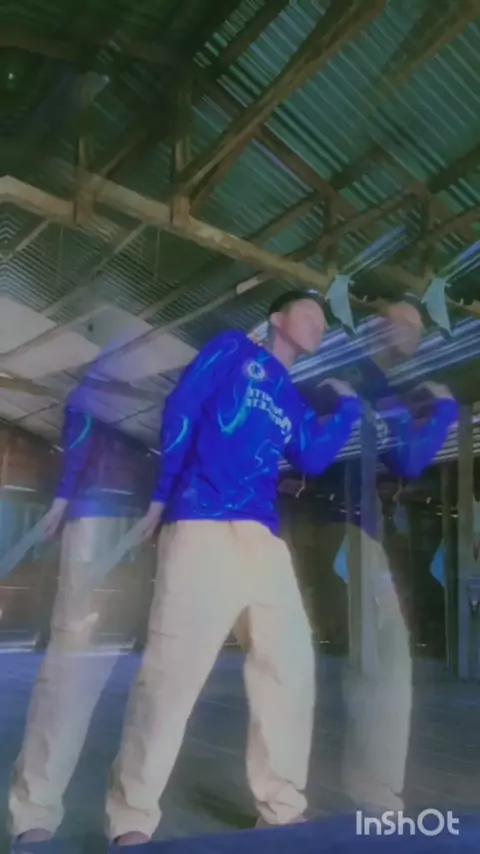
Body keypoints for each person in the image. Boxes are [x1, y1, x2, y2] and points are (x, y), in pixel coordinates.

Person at [104, 291, 363, 846]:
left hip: (262, 537)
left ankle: (281, 809)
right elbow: (182, 408)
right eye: (310, 313)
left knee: (289, 668)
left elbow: (313, 457)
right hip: (202, 521)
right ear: (277, 318)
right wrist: (163, 495)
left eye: (325, 320)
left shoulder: (291, 398)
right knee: (172, 676)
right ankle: (131, 818)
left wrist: (347, 411)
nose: (320, 323)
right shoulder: (232, 350)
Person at [318, 294, 458, 812]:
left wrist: (442, 412)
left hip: (362, 532)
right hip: (337, 525)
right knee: (381, 654)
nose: (415, 334)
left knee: (381, 654)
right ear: (379, 325)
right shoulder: (344, 373)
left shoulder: (388, 393)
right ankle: (371, 791)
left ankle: (371, 788)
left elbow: (408, 461)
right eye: (406, 323)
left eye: (419, 327)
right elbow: (316, 449)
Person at [9, 372, 152, 846]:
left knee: (149, 684)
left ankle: (131, 817)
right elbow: (78, 446)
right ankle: (34, 811)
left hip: (144, 523)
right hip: (100, 520)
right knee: (70, 672)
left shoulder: (145, 393)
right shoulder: (92, 393)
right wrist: (63, 501)